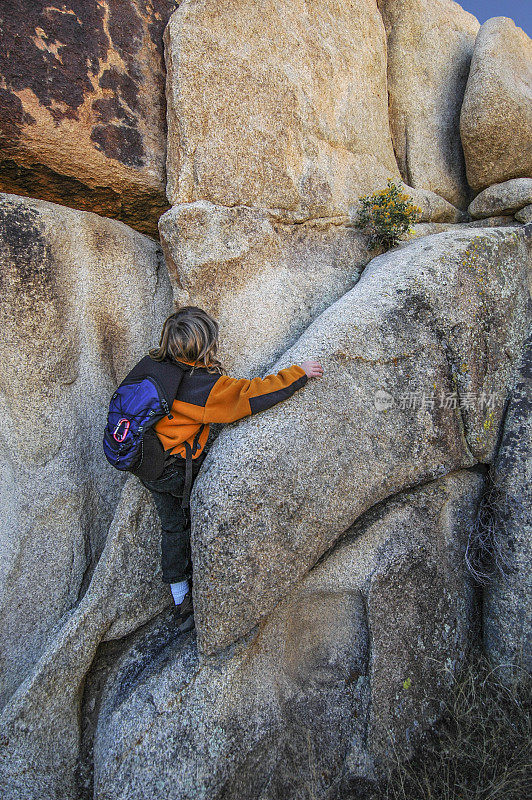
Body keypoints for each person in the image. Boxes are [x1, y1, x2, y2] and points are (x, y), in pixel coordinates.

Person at [140, 306, 324, 632]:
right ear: (206, 348)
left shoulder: (153, 364)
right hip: (174, 468)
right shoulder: (201, 389)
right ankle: (214, 589)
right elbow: (247, 397)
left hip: (146, 461)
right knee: (210, 514)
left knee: (171, 528)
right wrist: (297, 374)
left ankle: (180, 600)